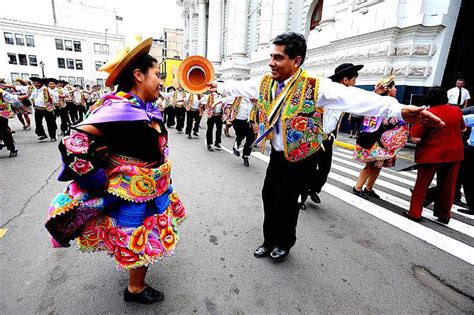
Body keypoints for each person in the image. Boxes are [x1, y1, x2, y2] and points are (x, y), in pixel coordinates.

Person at [208, 32, 443, 261]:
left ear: (296, 60)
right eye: (272, 57)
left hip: (301, 157)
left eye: (278, 58)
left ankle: (283, 243)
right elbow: (241, 87)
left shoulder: (314, 86)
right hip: (278, 155)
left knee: (288, 202)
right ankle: (268, 240)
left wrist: (399, 109)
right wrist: (218, 86)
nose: (271, 63)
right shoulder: (266, 83)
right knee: (269, 196)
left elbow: (356, 99)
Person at [44, 37, 187, 304]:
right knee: (139, 239)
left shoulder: (142, 109)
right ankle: (135, 290)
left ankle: (136, 283)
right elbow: (73, 144)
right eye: (157, 74)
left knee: (143, 237)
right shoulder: (120, 110)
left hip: (152, 191)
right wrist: (96, 179)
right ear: (138, 75)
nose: (161, 81)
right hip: (132, 194)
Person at [299, 63, 362, 210]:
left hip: (328, 138)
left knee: (325, 168)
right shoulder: (326, 93)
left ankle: (313, 189)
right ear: (345, 80)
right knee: (309, 167)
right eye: (354, 80)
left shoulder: (345, 97)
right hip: (314, 137)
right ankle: (300, 197)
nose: (355, 84)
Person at [403, 87, 466, 224]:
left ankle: (415, 213)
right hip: (454, 152)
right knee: (448, 186)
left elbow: (415, 138)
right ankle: (444, 215)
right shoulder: (456, 111)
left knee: (422, 184)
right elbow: (463, 128)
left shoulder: (427, 113)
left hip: (431, 153)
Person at [352, 75, 408, 199]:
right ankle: (358, 187)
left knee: (378, 166)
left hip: (381, 139)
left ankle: (369, 188)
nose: (396, 90)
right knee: (370, 165)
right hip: (373, 139)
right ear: (388, 89)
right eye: (394, 87)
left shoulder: (385, 101)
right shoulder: (384, 102)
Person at [0, 80, 28, 157]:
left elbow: (12, 98)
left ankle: (12, 148)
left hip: (3, 113)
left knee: (4, 131)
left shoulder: (2, 92)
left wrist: (25, 96)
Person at [26, 77, 58, 142]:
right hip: (38, 109)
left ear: (41, 83)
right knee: (38, 123)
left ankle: (53, 136)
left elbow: (56, 95)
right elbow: (30, 97)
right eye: (35, 83)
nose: (36, 85)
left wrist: (52, 100)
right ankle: (42, 134)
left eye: (38, 83)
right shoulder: (34, 90)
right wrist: (28, 95)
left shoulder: (46, 89)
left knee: (50, 123)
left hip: (47, 109)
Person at [231, 97, 256, 167]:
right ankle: (236, 145)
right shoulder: (238, 97)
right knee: (241, 136)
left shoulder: (256, 99)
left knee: (251, 139)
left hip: (250, 121)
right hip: (239, 121)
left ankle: (246, 156)